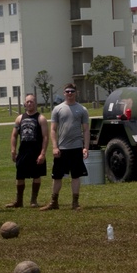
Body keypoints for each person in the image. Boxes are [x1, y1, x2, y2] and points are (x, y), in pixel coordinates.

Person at [40, 83, 91, 211]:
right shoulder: (57, 109)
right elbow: (53, 130)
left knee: (75, 176)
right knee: (57, 176)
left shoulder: (82, 109)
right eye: (67, 91)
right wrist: (55, 147)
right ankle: (54, 202)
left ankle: (75, 202)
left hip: (76, 148)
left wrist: (85, 147)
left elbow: (85, 130)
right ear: (64, 93)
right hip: (61, 148)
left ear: (76, 93)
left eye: (72, 91)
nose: (69, 93)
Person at [7, 94, 49, 208]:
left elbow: (45, 137)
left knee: (36, 175)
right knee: (20, 176)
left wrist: (43, 153)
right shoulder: (19, 118)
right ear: (25, 103)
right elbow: (14, 135)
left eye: (32, 101)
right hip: (23, 152)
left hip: (36, 152)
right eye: (27, 102)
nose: (29, 104)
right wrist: (13, 150)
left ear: (35, 103)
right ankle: (19, 201)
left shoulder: (41, 118)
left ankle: (33, 201)